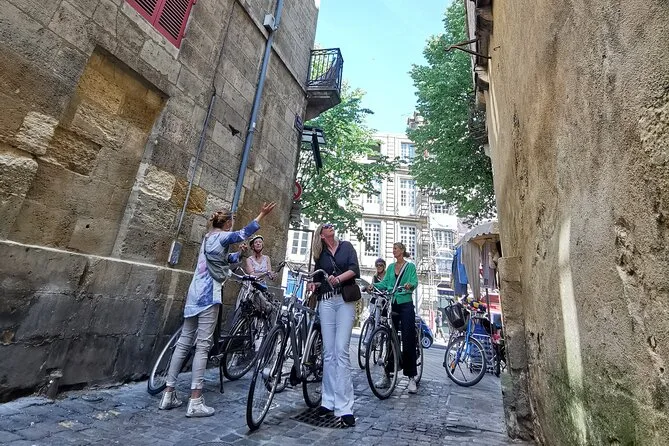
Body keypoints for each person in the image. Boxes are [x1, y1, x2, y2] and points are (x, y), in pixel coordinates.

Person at [158, 202, 276, 417]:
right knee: (203, 346)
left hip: (194, 293)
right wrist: (261, 214)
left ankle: (168, 393)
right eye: (232, 222)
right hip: (208, 294)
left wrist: (238, 255)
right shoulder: (223, 236)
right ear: (227, 223)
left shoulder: (208, 238)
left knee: (184, 343)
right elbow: (244, 233)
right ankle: (195, 400)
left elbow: (221, 260)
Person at [308, 223, 360, 427]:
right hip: (326, 301)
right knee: (328, 352)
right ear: (322, 235)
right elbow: (317, 277)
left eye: (331, 225)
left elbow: (354, 270)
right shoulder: (320, 255)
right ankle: (328, 401)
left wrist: (337, 279)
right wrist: (313, 284)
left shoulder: (346, 247)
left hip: (344, 300)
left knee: (341, 350)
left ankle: (345, 407)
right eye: (326, 226)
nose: (331, 226)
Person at [369, 242, 419, 394]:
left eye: (395, 249)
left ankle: (411, 376)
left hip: (406, 304)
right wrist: (373, 286)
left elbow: (415, 282)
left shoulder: (410, 267)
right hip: (393, 304)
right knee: (390, 339)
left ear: (402, 250)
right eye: (392, 249)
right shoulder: (390, 267)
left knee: (408, 338)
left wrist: (409, 285)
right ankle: (387, 374)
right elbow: (385, 283)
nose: (393, 251)